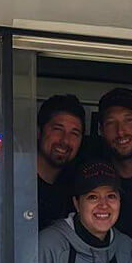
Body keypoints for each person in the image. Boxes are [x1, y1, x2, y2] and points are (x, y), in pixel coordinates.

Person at [98, 87, 132, 262]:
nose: (121, 131)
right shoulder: (94, 182)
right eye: (111, 123)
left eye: (129, 120)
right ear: (101, 131)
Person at [36, 94, 85, 230]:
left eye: (74, 133)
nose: (65, 140)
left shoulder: (74, 189)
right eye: (58, 129)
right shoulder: (13, 182)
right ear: (38, 132)